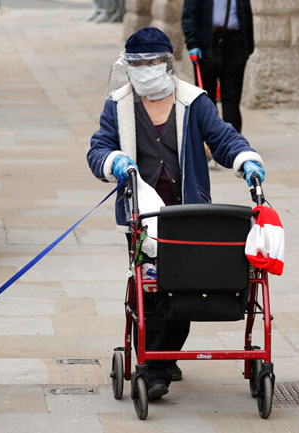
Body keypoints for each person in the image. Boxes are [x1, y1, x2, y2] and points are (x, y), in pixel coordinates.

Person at [87, 27, 265, 401]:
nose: (145, 69)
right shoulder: (118, 105)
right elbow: (97, 149)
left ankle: (165, 356)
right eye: (137, 64)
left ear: (168, 64)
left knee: (183, 282)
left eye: (152, 62)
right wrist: (112, 160)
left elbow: (223, 138)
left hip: (187, 213)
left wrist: (246, 159)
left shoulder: (193, 101)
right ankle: (153, 366)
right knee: (149, 288)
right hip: (142, 216)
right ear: (128, 67)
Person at [182, 0, 254, 133]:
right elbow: (189, 15)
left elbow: (246, 14)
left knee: (232, 98)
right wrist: (193, 44)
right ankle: (210, 139)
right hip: (208, 44)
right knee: (206, 98)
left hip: (234, 43)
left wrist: (247, 47)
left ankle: (232, 141)